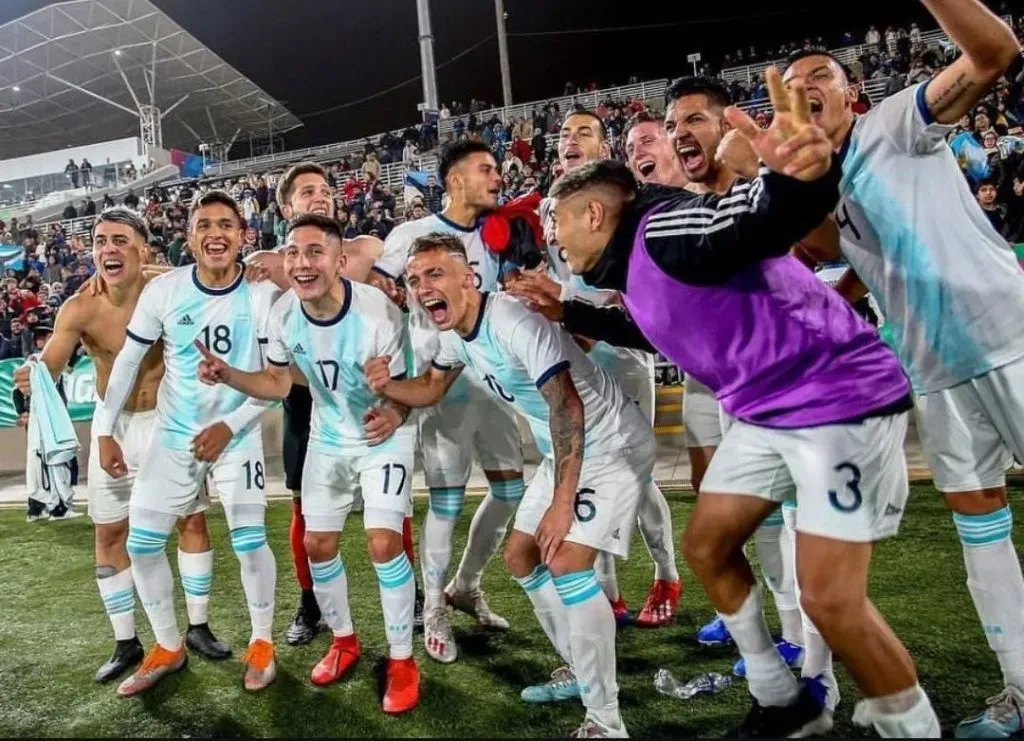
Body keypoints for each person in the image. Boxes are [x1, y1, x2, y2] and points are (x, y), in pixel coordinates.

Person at [530, 72, 942, 738]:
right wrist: (571, 310)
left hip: (838, 397)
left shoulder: (662, 226)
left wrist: (797, 179)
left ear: (594, 214)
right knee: (708, 543)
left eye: (555, 220)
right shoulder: (636, 267)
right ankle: (780, 696)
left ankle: (917, 727)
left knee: (832, 600)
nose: (550, 236)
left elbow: (753, 218)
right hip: (768, 410)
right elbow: (659, 323)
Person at [783, 2, 1024, 734]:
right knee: (980, 529)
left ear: (851, 91)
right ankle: (1020, 687)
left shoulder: (895, 122)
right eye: (788, 89)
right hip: (935, 369)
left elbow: (994, 54)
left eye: (817, 77)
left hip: (1009, 337)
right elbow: (841, 256)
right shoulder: (818, 181)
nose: (803, 93)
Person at [367, 232, 658, 738]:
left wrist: (562, 501)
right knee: (521, 557)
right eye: (414, 280)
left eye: (435, 273)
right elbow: (432, 387)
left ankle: (607, 722)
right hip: (567, 450)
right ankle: (580, 672)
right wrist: (386, 387)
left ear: (469, 277)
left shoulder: (511, 319)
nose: (421, 286)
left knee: (566, 561)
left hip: (612, 445)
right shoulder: (454, 334)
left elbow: (568, 404)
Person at [196, 213, 421, 713]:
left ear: (340, 262)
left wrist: (393, 408)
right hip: (328, 437)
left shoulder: (379, 312)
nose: (302, 262)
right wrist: (229, 374)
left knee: (383, 541)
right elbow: (278, 385)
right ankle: (344, 639)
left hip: (384, 437)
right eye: (294, 252)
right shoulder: (282, 315)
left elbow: (409, 389)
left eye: (315, 252)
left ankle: (403, 659)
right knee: (318, 544)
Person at [12, 208, 230, 686]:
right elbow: (51, 365)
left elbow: (224, 280)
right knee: (109, 534)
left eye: (119, 240)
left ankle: (197, 627)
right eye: (99, 241)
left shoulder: (172, 285)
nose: (107, 249)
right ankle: (126, 641)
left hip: (170, 423)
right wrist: (34, 377)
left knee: (189, 520)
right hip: (115, 428)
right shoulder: (80, 306)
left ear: (143, 249)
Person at [94, 192, 281, 696]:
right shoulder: (166, 292)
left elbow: (274, 381)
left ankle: (262, 643)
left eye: (226, 225)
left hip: (237, 435)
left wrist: (229, 425)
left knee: (248, 540)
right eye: (204, 225)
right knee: (141, 543)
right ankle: (169, 646)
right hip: (175, 437)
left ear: (244, 235)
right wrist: (104, 429)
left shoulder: (263, 297)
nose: (215, 234)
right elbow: (127, 363)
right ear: (190, 237)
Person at [511, 110, 681, 634]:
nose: (570, 139)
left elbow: (624, 289)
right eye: (563, 133)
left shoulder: (623, 201)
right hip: (571, 349)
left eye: (583, 132)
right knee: (581, 468)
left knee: (635, 473)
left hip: (620, 348)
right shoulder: (547, 207)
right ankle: (605, 592)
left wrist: (572, 308)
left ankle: (666, 572)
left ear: (605, 146)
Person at [244, 161, 414, 648]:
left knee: (389, 518)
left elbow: (403, 287)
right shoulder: (267, 266)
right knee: (307, 511)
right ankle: (311, 602)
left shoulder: (368, 251)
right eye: (306, 191)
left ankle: (412, 596)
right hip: (308, 395)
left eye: (325, 189)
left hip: (373, 391)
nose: (319, 196)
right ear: (284, 206)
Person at [370, 140, 523, 664]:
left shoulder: (497, 233)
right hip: (442, 388)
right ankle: (433, 607)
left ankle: (466, 585)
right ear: (455, 180)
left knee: (509, 492)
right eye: (486, 170)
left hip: (494, 382)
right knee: (447, 504)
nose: (496, 178)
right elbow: (376, 290)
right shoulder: (410, 236)